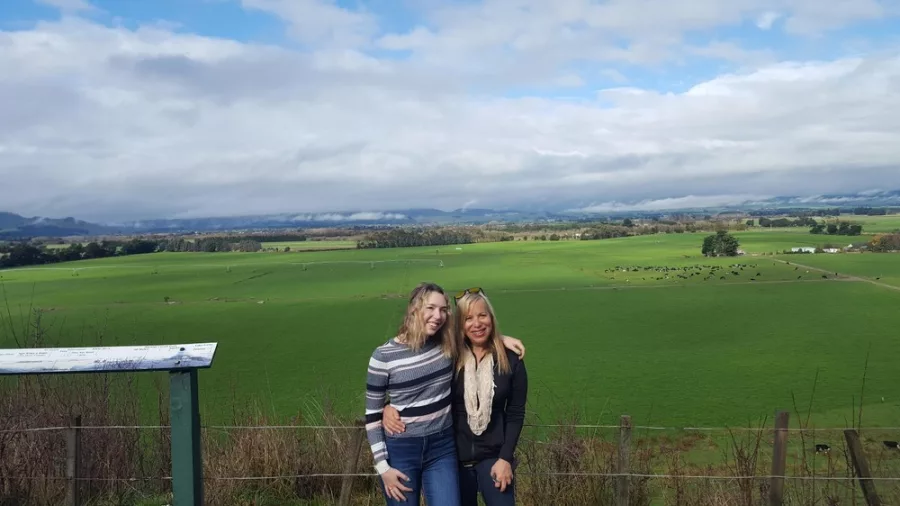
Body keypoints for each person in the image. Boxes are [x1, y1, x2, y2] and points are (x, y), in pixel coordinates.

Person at [365, 282, 525, 506]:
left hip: (445, 449)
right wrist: (386, 410)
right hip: (408, 450)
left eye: (442, 310)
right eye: (430, 308)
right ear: (414, 308)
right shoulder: (390, 355)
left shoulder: (447, 348)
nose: (437, 315)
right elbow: (374, 412)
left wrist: (500, 340)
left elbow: (476, 336)